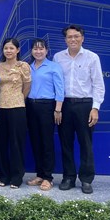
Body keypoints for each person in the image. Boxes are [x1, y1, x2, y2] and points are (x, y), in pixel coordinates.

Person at [53, 24, 105, 194]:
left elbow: (98, 85)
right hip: (65, 105)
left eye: (76, 36)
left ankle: (86, 179)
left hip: (85, 105)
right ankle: (68, 177)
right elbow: (56, 83)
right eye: (69, 37)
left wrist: (95, 108)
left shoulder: (92, 57)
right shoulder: (58, 57)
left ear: (82, 38)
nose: (73, 39)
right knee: (65, 142)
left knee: (86, 143)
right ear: (65, 39)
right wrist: (57, 108)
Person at [25, 38, 64, 191]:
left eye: (41, 49)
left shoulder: (54, 67)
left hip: (47, 106)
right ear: (31, 51)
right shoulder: (28, 67)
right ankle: (40, 174)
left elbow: (60, 89)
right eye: (35, 49)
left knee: (47, 142)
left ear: (47, 51)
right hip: (30, 106)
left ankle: (48, 177)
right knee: (35, 141)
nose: (38, 51)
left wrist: (58, 109)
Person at [0, 38, 31, 189]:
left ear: (17, 50)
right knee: (1, 144)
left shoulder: (23, 66)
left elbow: (27, 86)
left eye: (11, 48)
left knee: (17, 144)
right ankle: (3, 176)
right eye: (6, 48)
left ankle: (17, 177)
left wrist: (19, 98)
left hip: (17, 107)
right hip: (0, 108)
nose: (8, 51)